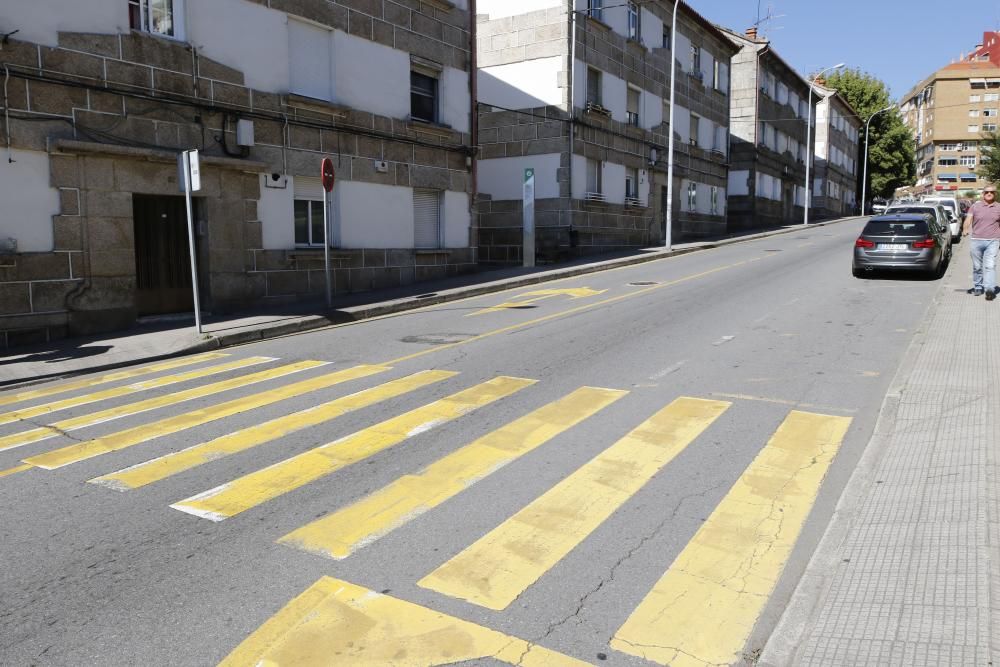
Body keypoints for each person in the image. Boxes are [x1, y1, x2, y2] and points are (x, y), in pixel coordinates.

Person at [963, 184, 1000, 301]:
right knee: (977, 266)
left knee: (990, 265)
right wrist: (965, 229)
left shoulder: (999, 207)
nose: (989, 194)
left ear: (995, 194)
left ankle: (989, 290)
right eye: (987, 192)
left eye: (992, 192)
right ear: (983, 194)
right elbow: (968, 219)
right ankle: (978, 286)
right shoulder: (975, 206)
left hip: (993, 240)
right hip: (976, 240)